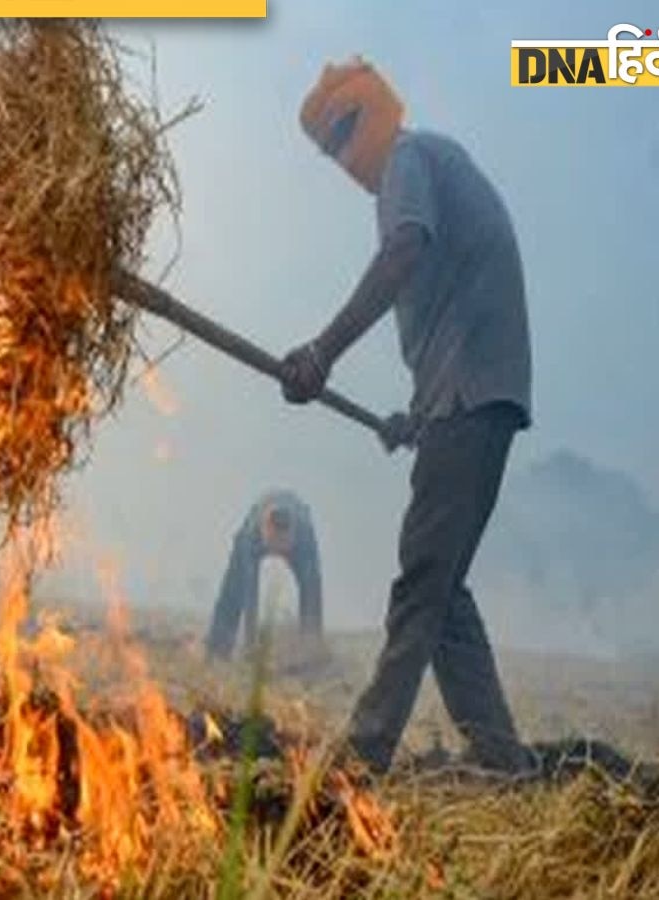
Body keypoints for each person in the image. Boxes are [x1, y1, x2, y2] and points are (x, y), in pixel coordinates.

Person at [280, 59, 534, 775]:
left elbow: (405, 249)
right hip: (470, 400)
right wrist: (414, 419)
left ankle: (363, 753)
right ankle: (502, 760)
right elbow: (454, 305)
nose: (341, 156)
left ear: (374, 112)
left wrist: (323, 351)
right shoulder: (427, 162)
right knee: (443, 586)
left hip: (472, 396)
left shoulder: (409, 160)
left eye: (343, 134)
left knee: (422, 580)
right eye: (329, 148)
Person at [204, 489, 325, 664]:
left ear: (292, 535)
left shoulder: (305, 537)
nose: (276, 549)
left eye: (282, 543)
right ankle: (217, 649)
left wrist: (312, 644)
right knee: (233, 589)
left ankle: (311, 656)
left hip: (299, 529)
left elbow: (312, 593)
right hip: (254, 530)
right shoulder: (249, 535)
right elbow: (249, 595)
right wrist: (250, 645)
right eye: (273, 542)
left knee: (311, 593)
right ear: (264, 530)